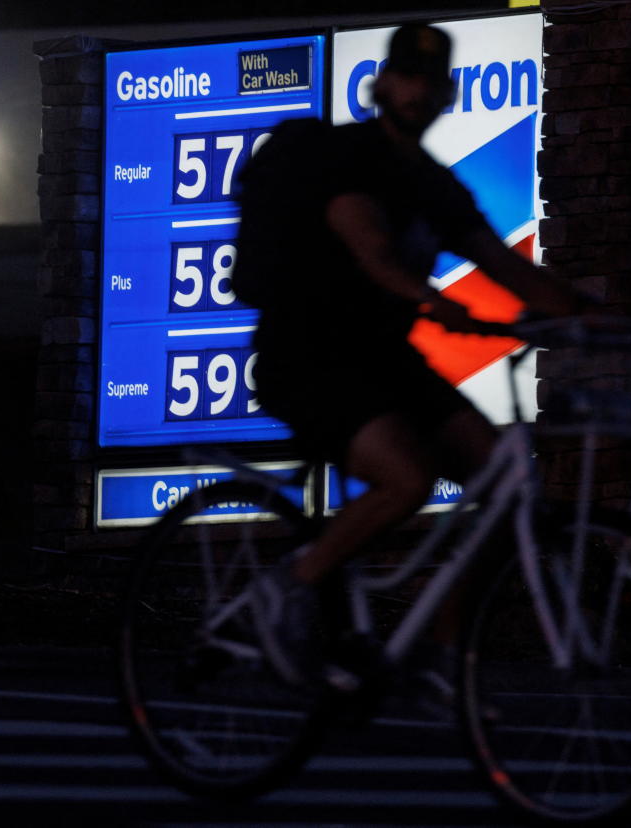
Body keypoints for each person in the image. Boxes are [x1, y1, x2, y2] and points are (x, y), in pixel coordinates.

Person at [235, 23, 585, 686]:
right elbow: (370, 247)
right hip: (308, 353)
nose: (416, 91)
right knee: (408, 478)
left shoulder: (434, 185)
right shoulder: (345, 157)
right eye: (405, 77)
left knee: (507, 484)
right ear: (382, 85)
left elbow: (507, 269)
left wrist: (594, 316)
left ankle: (444, 657)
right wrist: (429, 298)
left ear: (444, 92)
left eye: (429, 81)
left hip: (385, 361)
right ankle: (290, 587)